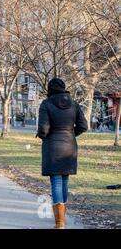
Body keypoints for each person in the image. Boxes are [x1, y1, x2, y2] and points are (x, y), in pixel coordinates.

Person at [37, 78, 88, 229]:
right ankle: (62, 219)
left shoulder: (46, 104)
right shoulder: (74, 103)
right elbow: (83, 125)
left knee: (56, 181)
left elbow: (43, 130)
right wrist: (71, 134)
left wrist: (42, 135)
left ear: (50, 89)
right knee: (64, 180)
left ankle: (60, 223)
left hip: (53, 147)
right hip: (70, 146)